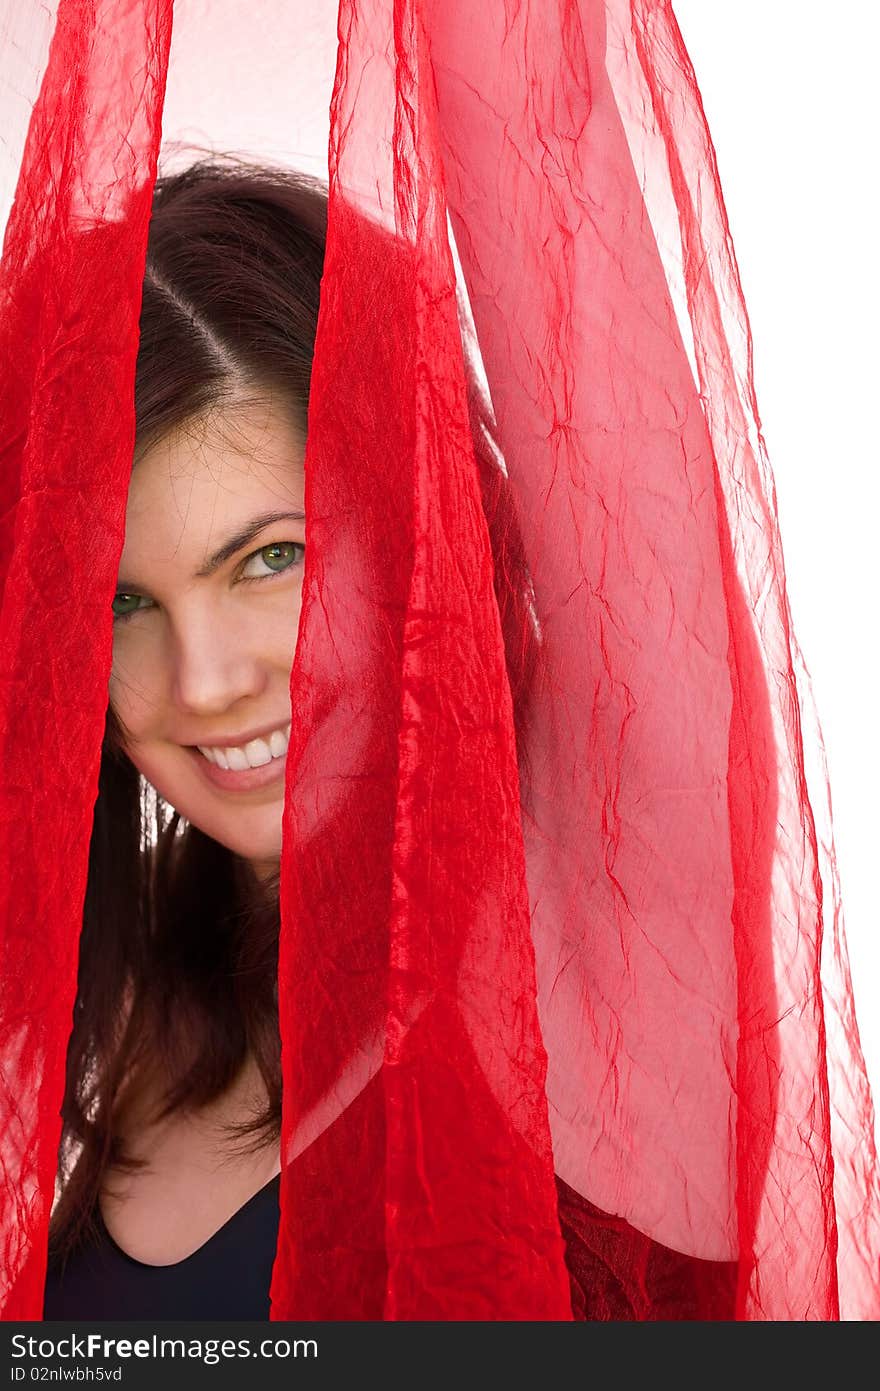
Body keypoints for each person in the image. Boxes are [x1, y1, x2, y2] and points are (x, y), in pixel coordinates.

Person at [40, 158, 740, 1321]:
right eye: (122, 603)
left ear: (422, 533)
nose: (204, 682)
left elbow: (593, 353)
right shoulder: (142, 967)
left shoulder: (610, 925)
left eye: (270, 558)